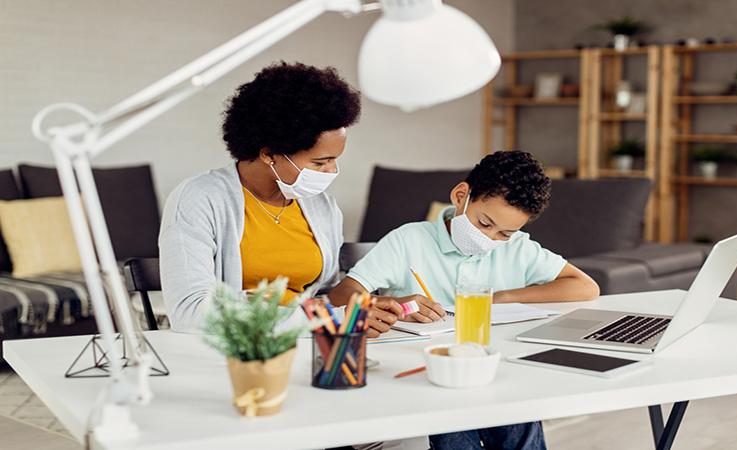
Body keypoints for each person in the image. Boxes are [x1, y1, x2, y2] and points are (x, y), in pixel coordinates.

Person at [328, 150, 600, 449]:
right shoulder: (409, 240)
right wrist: (392, 304)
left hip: (492, 371)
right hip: (426, 372)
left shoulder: (518, 249)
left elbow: (585, 287)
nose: (491, 239)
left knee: (516, 409)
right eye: (484, 223)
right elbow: (342, 295)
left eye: (505, 233)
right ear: (461, 196)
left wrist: (503, 297)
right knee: (453, 408)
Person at [159, 61, 369, 332]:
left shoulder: (322, 206)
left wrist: (379, 307)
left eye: (334, 160)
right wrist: (319, 318)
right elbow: (190, 312)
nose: (332, 171)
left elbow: (323, 297)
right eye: (320, 162)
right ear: (268, 153)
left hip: (306, 342)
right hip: (236, 351)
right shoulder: (199, 199)